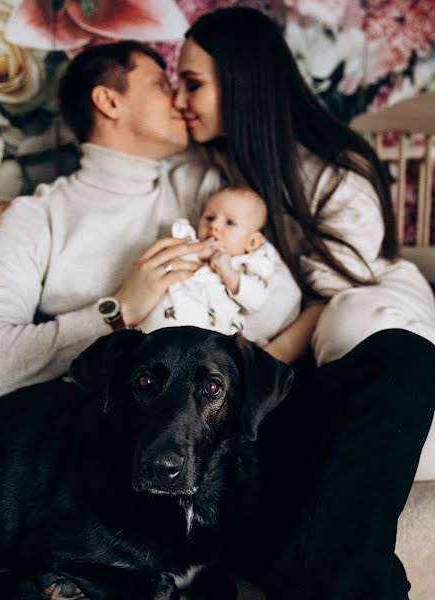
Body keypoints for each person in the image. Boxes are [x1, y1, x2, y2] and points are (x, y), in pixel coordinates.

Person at [169, 7, 435, 600]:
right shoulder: (194, 173)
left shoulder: (337, 174)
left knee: (402, 359)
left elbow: (340, 292)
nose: (179, 100)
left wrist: (263, 358)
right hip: (247, 404)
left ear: (241, 84)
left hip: (300, 377)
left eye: (193, 83)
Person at [0, 41, 292, 406]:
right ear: (109, 101)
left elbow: (284, 301)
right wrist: (117, 313)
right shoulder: (32, 218)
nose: (181, 100)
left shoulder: (202, 189)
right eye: (162, 85)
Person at [139, 185, 301, 341]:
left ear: (251, 242)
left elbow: (256, 301)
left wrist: (229, 273)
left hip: (207, 339)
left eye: (229, 222)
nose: (214, 225)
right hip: (161, 324)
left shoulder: (247, 266)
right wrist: (194, 252)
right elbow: (162, 264)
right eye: (209, 217)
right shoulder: (187, 242)